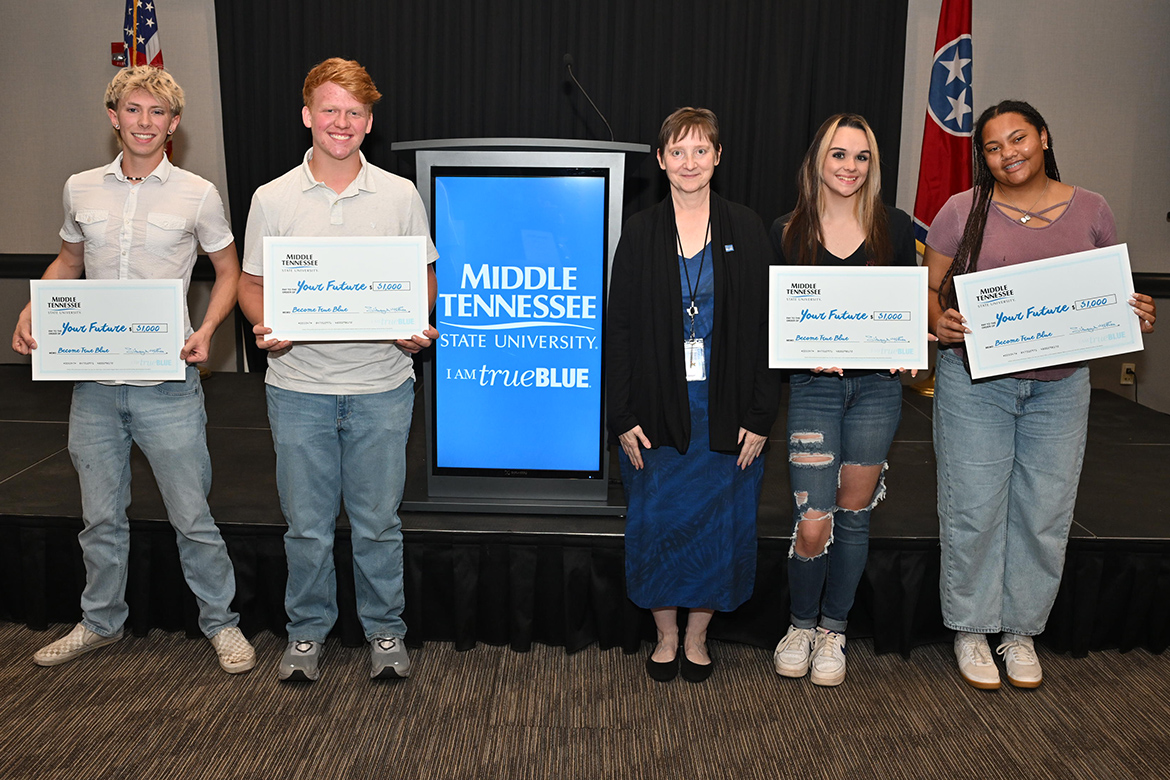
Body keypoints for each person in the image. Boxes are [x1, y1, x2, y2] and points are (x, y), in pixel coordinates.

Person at [10, 66, 255, 674]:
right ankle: (99, 622)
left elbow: (229, 270)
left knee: (192, 517)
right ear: (114, 117)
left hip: (166, 382)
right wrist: (31, 305)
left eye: (157, 113)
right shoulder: (79, 188)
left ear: (173, 124)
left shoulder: (197, 192)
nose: (144, 123)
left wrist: (206, 330)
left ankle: (222, 625)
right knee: (99, 517)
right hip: (92, 382)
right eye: (133, 110)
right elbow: (68, 260)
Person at [924, 100, 1157, 690]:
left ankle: (1021, 630)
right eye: (994, 147)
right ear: (983, 157)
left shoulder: (1093, 209)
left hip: (1061, 390)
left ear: (1044, 137)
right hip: (975, 386)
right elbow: (928, 287)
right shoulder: (961, 210)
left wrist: (1136, 313)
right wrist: (939, 319)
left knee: (1045, 512)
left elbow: (1110, 294)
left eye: (1019, 139)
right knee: (973, 509)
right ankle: (972, 630)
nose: (1009, 154)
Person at [237, 58, 438, 683]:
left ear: (369, 121)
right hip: (298, 389)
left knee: (379, 524)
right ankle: (306, 633)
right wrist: (262, 324)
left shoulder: (400, 195)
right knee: (306, 528)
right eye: (330, 110)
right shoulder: (270, 199)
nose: (341, 123)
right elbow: (250, 283)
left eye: (354, 112)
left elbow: (425, 275)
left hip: (382, 385)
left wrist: (416, 322)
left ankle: (385, 631)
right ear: (307, 116)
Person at [606, 108, 778, 683]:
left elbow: (763, 329)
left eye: (701, 150)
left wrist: (760, 415)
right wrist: (622, 415)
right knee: (657, 520)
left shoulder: (748, 228)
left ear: (718, 158)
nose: (689, 162)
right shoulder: (640, 230)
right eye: (677, 151)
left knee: (719, 524)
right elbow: (621, 328)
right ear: (660, 160)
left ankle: (699, 636)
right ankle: (666, 634)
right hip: (656, 410)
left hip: (726, 409)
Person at [769, 114, 917, 687]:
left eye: (861, 157)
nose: (850, 167)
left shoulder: (896, 227)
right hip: (814, 390)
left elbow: (904, 304)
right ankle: (800, 623)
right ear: (817, 161)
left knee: (854, 518)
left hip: (878, 388)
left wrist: (907, 342)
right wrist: (798, 351)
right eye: (838, 155)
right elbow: (773, 322)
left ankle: (834, 629)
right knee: (813, 519)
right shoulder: (787, 230)